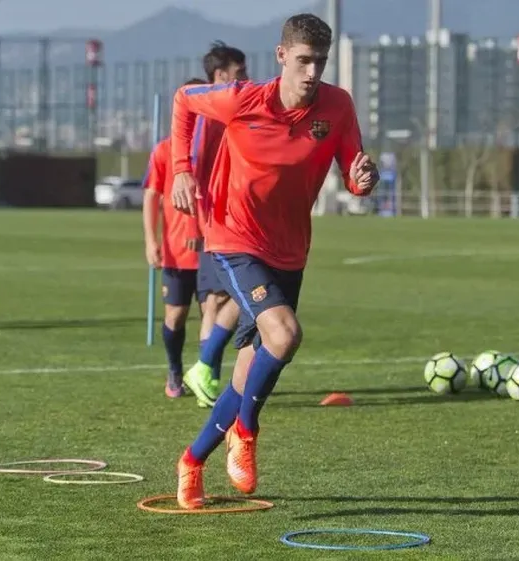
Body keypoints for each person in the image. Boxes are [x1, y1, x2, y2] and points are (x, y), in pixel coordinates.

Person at [168, 13, 379, 509]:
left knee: (247, 375)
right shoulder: (241, 99)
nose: (312, 72)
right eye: (304, 60)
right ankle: (246, 431)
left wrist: (362, 179)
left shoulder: (338, 106)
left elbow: (352, 172)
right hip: (234, 239)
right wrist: (181, 169)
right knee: (284, 335)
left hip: (290, 250)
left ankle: (192, 461)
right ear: (282, 56)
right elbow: (183, 99)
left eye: (320, 62)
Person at [181, 42, 248, 408]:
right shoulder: (209, 116)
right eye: (240, 73)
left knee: (217, 302)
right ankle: (206, 372)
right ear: (220, 76)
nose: (247, 79)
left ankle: (207, 377)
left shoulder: (230, 112)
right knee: (241, 295)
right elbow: (193, 170)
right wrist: (197, 224)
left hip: (227, 219)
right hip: (220, 222)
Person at [143, 78, 208, 399]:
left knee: (213, 317)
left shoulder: (217, 147)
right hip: (176, 251)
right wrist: (150, 240)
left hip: (213, 250)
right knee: (176, 315)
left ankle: (207, 374)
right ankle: (174, 371)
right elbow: (152, 195)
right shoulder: (165, 150)